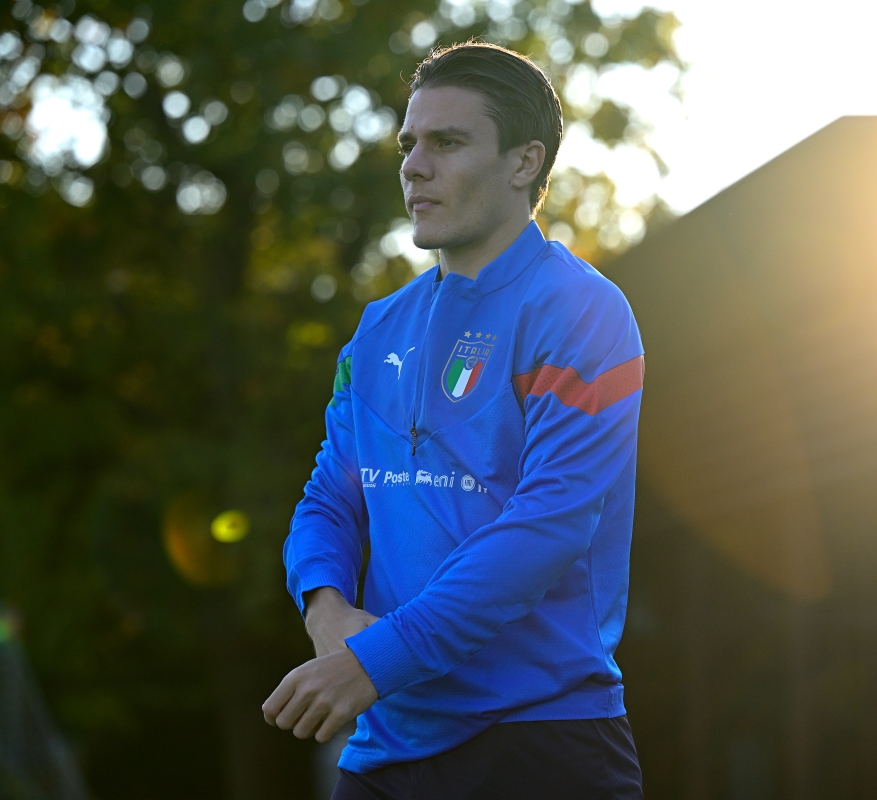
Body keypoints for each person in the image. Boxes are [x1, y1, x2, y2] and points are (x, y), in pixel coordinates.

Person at [262, 41, 645, 799]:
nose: (413, 164)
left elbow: (548, 524)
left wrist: (381, 658)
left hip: (543, 740)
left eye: (448, 142)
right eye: (409, 144)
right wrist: (325, 607)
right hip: (386, 748)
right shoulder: (376, 329)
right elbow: (331, 497)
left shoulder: (583, 311)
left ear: (524, 162)